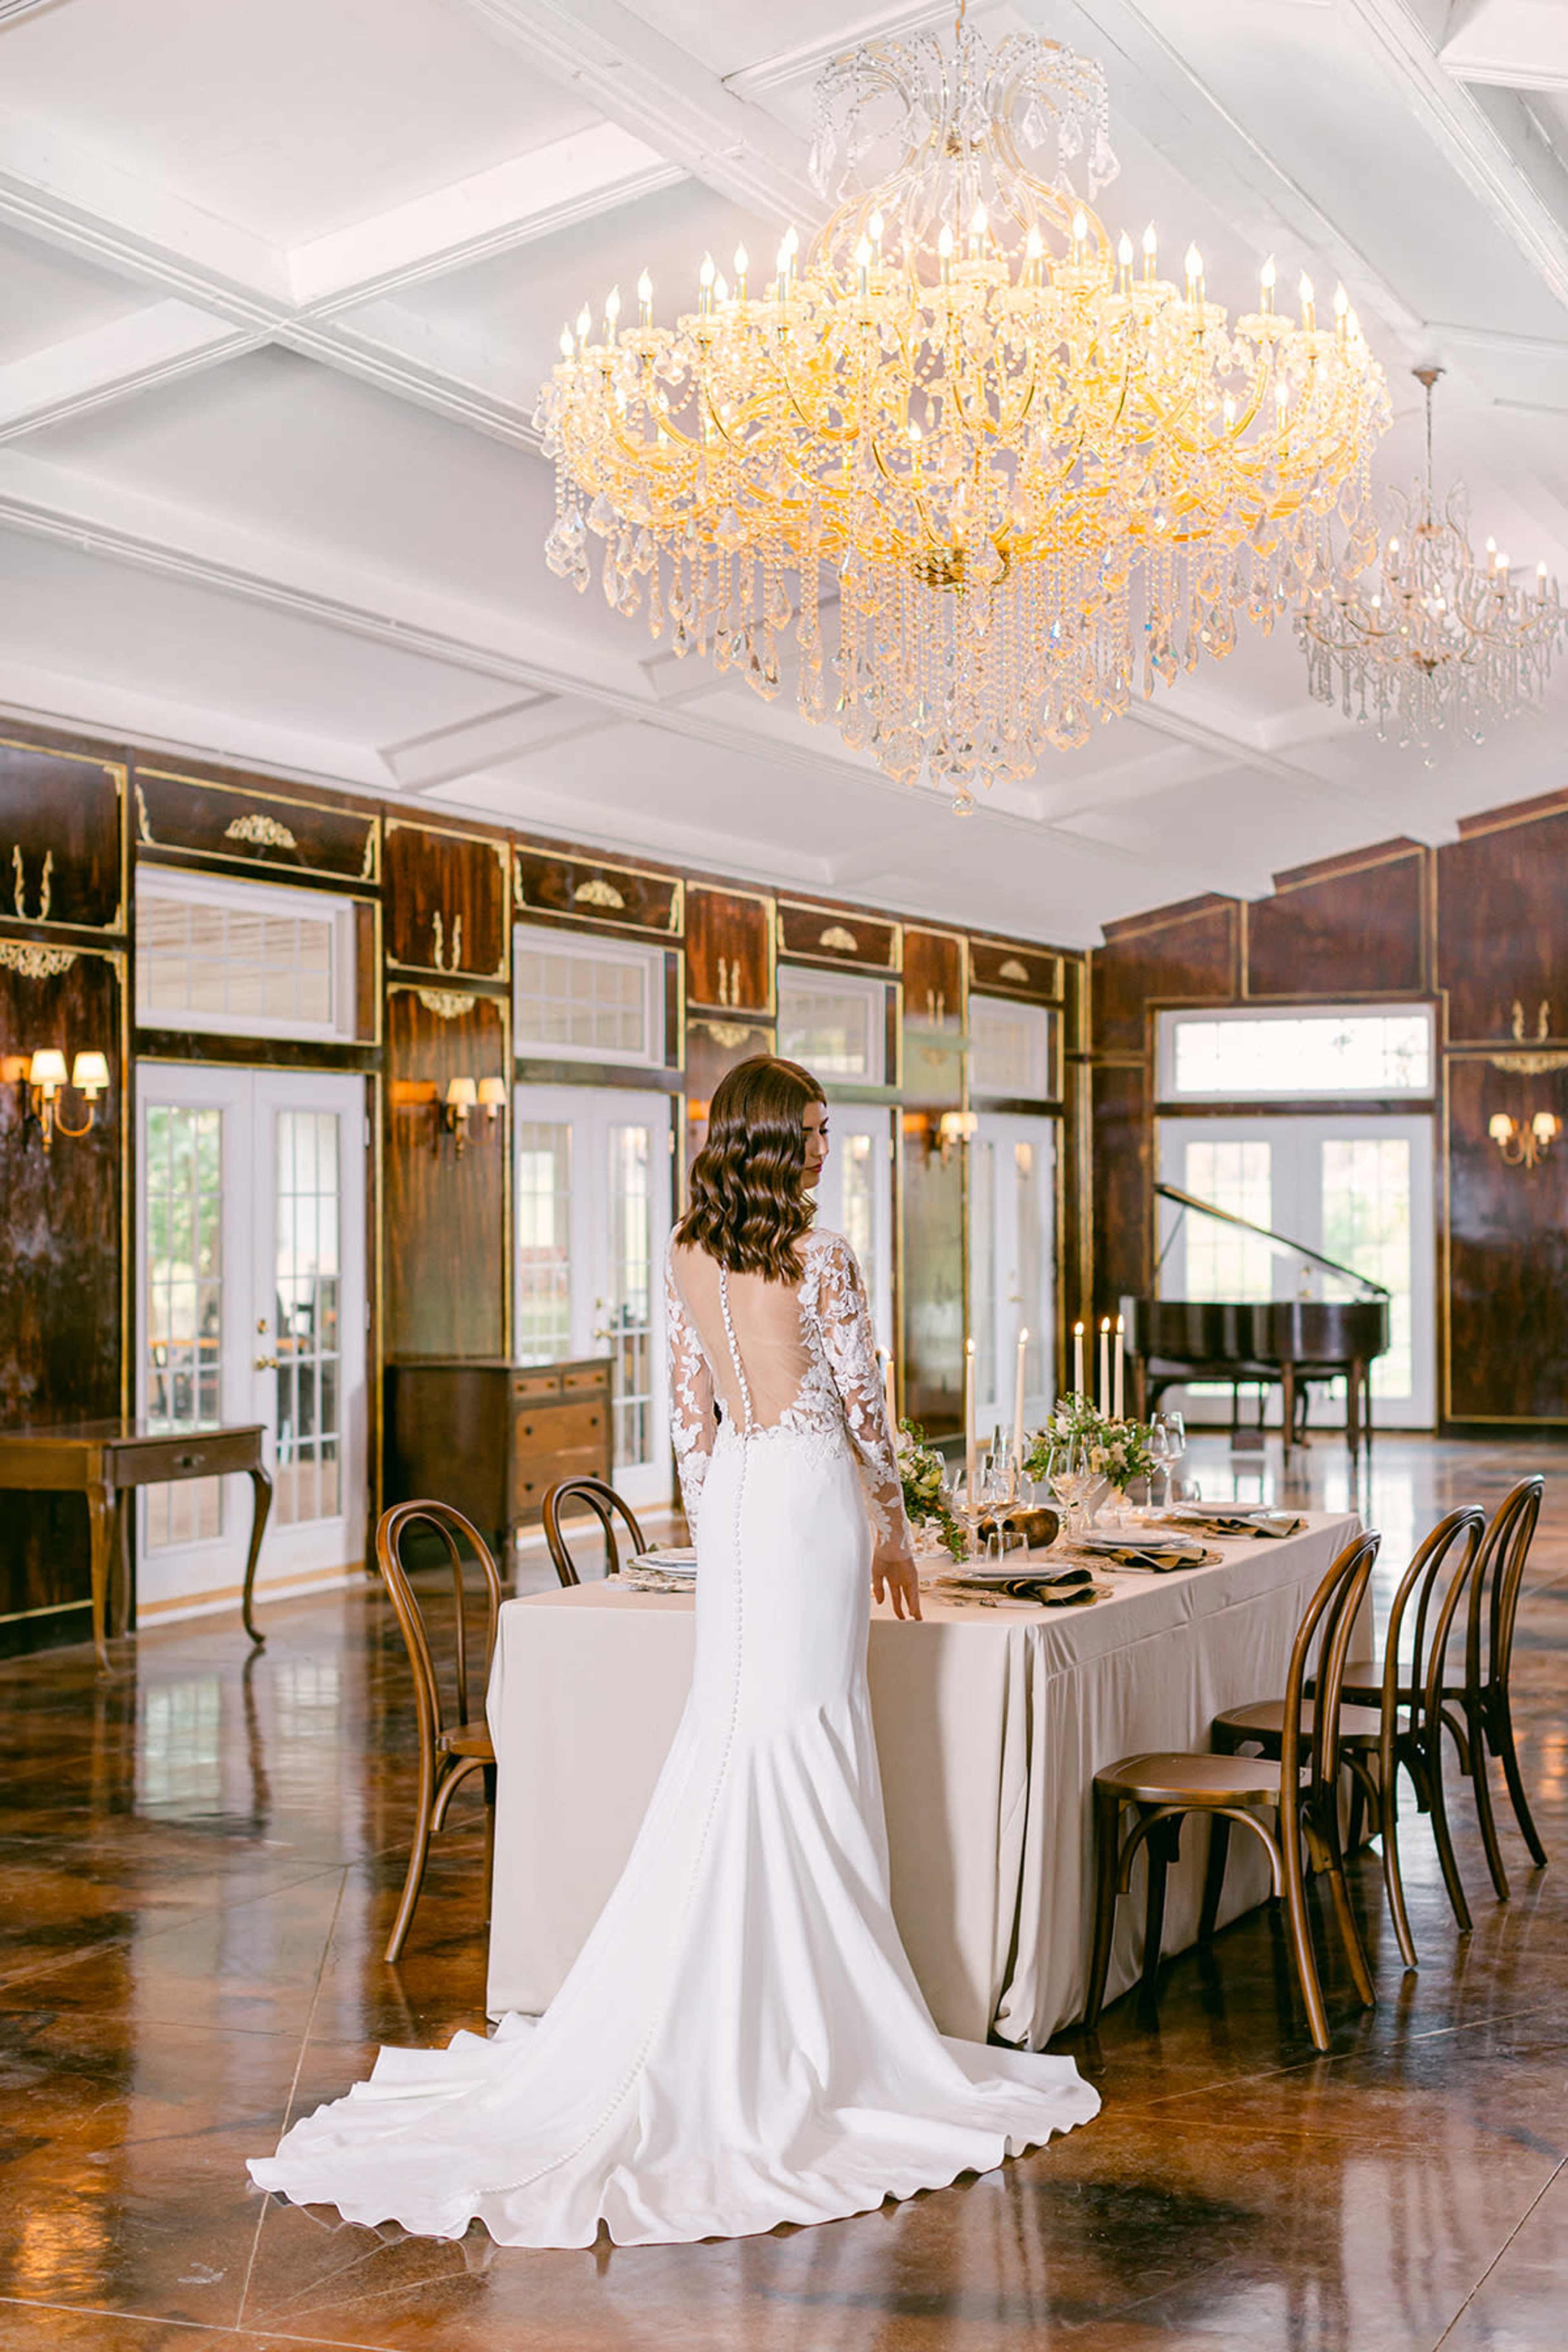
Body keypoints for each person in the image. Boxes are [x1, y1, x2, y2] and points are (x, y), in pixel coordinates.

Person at [248, 1056, 1097, 2246]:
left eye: (822, 1131)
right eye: (804, 1133)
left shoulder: (687, 1255)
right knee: (802, 1727)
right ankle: (803, 2018)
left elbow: (692, 1413)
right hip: (802, 1499)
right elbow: (868, 1408)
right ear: (763, 1140)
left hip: (746, 1501)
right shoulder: (825, 1260)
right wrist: (891, 1533)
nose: (818, 1149)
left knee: (745, 1725)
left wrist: (711, 1535)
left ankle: (724, 1986)